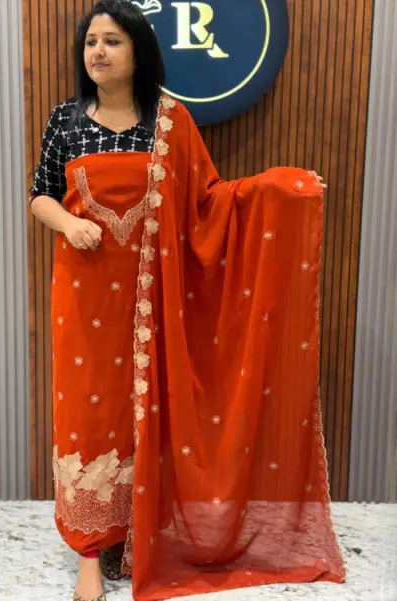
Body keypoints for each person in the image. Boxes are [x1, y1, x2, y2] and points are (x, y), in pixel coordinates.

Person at [29, 1, 346, 600]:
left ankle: (137, 531)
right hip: (84, 295)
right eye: (91, 41)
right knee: (89, 414)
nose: (98, 52)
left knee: (148, 409)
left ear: (138, 51)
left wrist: (278, 189)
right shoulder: (66, 119)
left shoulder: (170, 121)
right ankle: (90, 550)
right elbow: (40, 193)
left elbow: (209, 201)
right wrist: (68, 224)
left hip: (155, 299)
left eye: (112, 41)